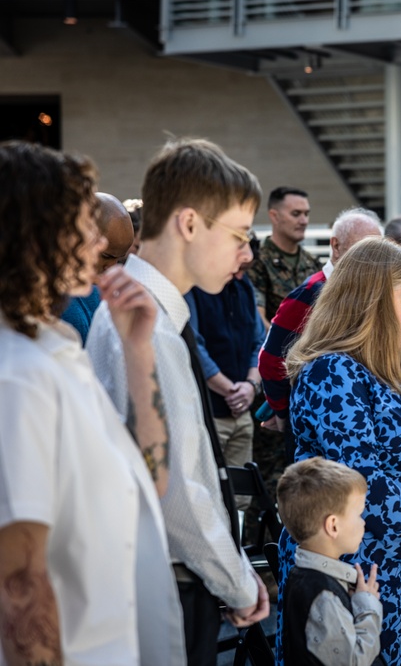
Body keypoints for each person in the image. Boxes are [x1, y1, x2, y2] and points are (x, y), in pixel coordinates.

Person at [0, 140, 184, 665]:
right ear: (33, 235)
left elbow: (151, 482)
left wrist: (138, 352)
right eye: (84, 225)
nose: (97, 241)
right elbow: (20, 579)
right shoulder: (18, 376)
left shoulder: (55, 349)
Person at [88, 137, 269, 665]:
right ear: (189, 224)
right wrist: (237, 581)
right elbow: (175, 491)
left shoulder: (155, 316)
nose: (245, 254)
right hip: (167, 579)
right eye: (237, 235)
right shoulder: (145, 328)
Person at [277, 237, 401, 666]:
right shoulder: (334, 371)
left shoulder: (396, 366)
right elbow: (364, 482)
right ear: (372, 301)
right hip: (354, 564)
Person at [258, 207, 382, 435]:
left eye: (377, 250)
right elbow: (271, 359)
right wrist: (285, 412)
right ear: (336, 246)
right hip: (314, 426)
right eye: (363, 248)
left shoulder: (362, 292)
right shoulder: (311, 292)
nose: (373, 259)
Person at [278, 458, 384, 666]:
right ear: (333, 526)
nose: (363, 522)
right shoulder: (323, 595)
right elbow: (353, 661)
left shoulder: (301, 573)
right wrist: (368, 606)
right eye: (359, 514)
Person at [185, 236, 266, 470]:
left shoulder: (243, 285)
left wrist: (250, 386)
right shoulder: (194, 288)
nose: (241, 273)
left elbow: (259, 339)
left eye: (246, 269)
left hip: (242, 409)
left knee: (241, 498)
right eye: (239, 267)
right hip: (210, 412)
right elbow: (193, 345)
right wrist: (230, 390)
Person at [60, 192, 135, 343]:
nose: (111, 267)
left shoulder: (100, 295)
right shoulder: (42, 296)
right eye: (106, 256)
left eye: (119, 260)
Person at [249, 186, 322, 328]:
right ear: (274, 216)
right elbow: (258, 319)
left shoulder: (312, 263)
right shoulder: (258, 261)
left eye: (306, 214)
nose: (304, 221)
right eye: (296, 214)